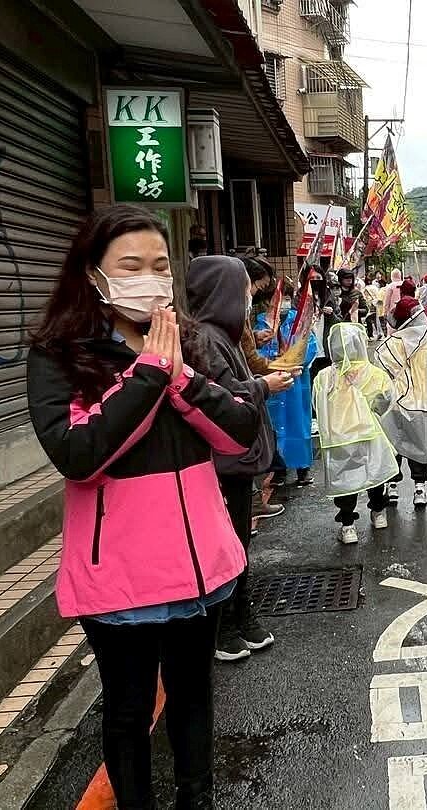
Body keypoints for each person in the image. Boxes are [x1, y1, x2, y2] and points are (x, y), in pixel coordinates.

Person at [27, 205, 259, 809]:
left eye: (159, 265)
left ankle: (197, 798)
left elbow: (239, 433)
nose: (149, 277)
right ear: (93, 274)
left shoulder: (185, 344)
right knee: (129, 708)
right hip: (121, 576)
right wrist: (150, 374)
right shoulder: (59, 355)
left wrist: (181, 379)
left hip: (198, 566)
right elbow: (79, 454)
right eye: (129, 265)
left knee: (192, 696)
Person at [186, 255, 295, 662]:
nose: (250, 298)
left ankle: (239, 615)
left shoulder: (222, 335)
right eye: (245, 291)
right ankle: (224, 625)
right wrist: (264, 385)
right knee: (227, 542)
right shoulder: (205, 339)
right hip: (221, 459)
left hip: (234, 459)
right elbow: (222, 396)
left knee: (238, 540)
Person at [313, 323, 399, 544]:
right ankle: (379, 513)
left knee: (345, 483)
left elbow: (316, 404)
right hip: (368, 433)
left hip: (337, 439)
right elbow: (385, 399)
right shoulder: (372, 373)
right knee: (375, 474)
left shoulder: (324, 377)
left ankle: (348, 525)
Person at [376, 295, 427, 509]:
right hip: (422, 405)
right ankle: (419, 488)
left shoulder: (389, 346)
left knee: (394, 443)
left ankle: (392, 486)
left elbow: (382, 376)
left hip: (394, 404)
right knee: (419, 444)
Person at [254, 284, 318, 488]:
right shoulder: (261, 325)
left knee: (298, 425)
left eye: (286, 298)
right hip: (274, 383)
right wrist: (272, 362)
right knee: (275, 428)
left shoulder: (298, 321)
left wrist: (293, 361)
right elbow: (255, 355)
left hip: (296, 383)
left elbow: (310, 346)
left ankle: (302, 469)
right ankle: (278, 470)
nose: (282, 303)